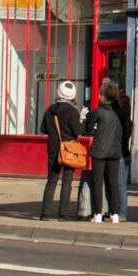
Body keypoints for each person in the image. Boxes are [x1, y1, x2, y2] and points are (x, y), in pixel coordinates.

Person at [86, 77, 132, 225]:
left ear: (103, 95)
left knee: (98, 182)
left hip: (99, 151)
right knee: (114, 183)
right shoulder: (121, 113)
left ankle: (98, 214)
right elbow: (125, 133)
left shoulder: (97, 112)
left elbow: (89, 130)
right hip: (115, 151)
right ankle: (115, 214)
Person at [38, 81, 86, 221]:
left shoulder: (50, 110)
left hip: (53, 149)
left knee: (51, 181)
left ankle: (45, 213)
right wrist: (81, 119)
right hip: (69, 150)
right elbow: (78, 132)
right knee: (67, 181)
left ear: (58, 92)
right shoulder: (72, 111)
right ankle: (63, 214)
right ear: (73, 95)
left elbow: (43, 129)